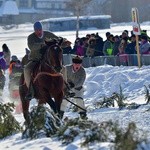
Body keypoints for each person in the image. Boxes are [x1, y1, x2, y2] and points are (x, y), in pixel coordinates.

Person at [24, 21, 60, 100]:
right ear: (34, 30)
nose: (38, 32)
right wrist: (43, 44)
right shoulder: (31, 37)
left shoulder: (48, 34)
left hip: (49, 60)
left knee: (62, 67)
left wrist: (63, 40)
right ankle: (30, 91)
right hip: (35, 59)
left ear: (42, 29)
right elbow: (32, 47)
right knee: (27, 70)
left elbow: (57, 39)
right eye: (36, 30)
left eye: (40, 30)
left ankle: (65, 87)